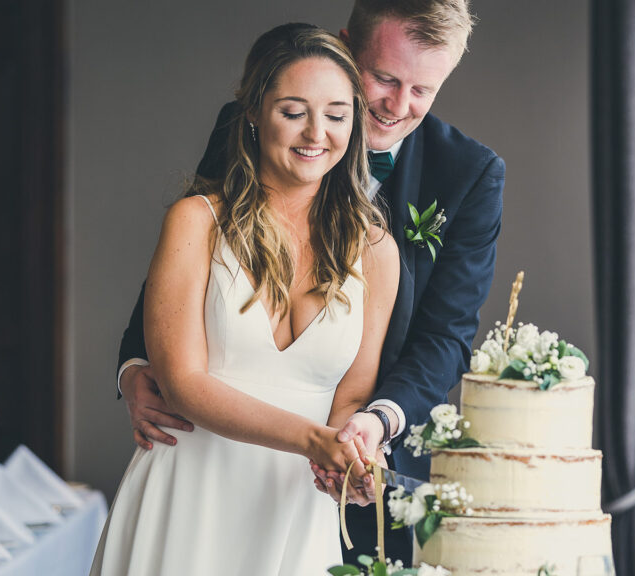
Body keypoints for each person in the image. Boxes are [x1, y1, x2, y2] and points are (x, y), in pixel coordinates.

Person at [116, 0, 505, 564]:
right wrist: (134, 367)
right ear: (347, 47)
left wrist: (371, 427)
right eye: (385, 79)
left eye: (424, 90)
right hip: (194, 466)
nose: (398, 106)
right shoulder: (254, 122)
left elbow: (444, 337)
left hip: (334, 478)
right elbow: (186, 270)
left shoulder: (465, 177)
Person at [90, 23, 400, 575]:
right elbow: (182, 383)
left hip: (294, 506)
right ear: (254, 111)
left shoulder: (377, 250)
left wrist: (355, 458)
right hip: (188, 492)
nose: (316, 133)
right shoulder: (196, 222)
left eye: (336, 114)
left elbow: (349, 399)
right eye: (293, 111)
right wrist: (313, 440)